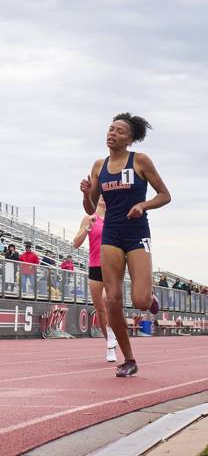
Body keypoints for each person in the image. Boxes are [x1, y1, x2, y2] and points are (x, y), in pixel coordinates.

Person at [79, 112, 171, 378]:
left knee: (140, 301)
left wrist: (142, 205)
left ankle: (150, 296)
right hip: (112, 234)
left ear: (130, 139)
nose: (112, 134)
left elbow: (165, 195)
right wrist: (87, 193)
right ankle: (129, 359)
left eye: (119, 131)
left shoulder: (140, 161)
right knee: (113, 301)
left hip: (136, 232)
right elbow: (91, 207)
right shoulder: (100, 166)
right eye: (110, 129)